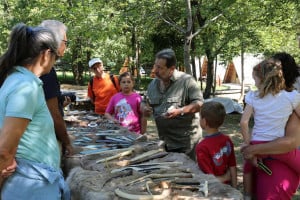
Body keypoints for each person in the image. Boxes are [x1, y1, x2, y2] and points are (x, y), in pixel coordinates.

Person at [0, 23, 70, 199]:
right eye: (55, 57)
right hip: (30, 187)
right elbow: (5, 150)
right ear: (46, 55)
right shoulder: (26, 86)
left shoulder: (17, 80)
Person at [241, 56, 300, 199]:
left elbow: (243, 122)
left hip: (257, 143)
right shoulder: (291, 97)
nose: (254, 83)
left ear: (262, 79)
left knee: (248, 166)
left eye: (255, 79)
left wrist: (248, 144)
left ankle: (247, 194)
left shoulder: (253, 96)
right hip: (279, 146)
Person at [145, 48, 203, 160]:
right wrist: (145, 108)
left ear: (171, 69)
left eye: (159, 68)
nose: (155, 70)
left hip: (186, 145)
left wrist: (180, 111)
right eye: (155, 66)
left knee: (189, 174)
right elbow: (145, 102)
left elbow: (199, 104)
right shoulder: (153, 84)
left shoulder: (187, 81)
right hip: (165, 143)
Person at [39, 20, 74, 156]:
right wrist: (67, 142)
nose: (66, 46)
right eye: (65, 42)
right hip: (40, 150)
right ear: (56, 42)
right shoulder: (46, 72)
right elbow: (53, 115)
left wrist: (60, 104)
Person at [195, 101, 237, 188]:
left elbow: (208, 178)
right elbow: (232, 166)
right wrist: (234, 187)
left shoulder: (202, 147)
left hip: (214, 189)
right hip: (227, 187)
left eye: (200, 117)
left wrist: (225, 177)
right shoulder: (227, 140)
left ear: (204, 121)